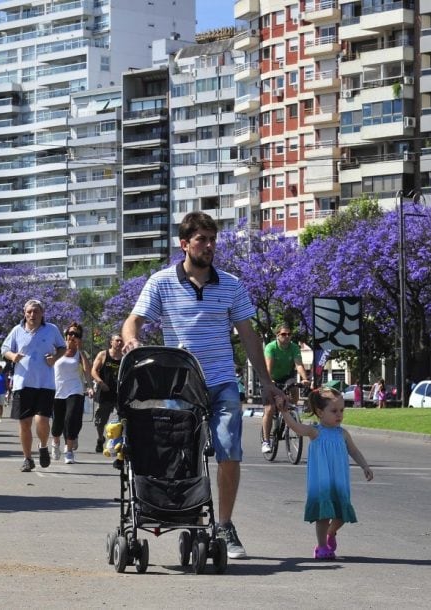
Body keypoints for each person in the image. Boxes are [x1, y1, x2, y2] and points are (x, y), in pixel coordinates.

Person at [122, 211, 285, 560]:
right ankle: (189, 513)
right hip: (179, 387)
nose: (209, 246)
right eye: (202, 240)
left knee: (229, 449)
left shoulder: (231, 285)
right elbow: (132, 322)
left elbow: (249, 336)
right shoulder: (161, 282)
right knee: (182, 455)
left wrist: (268, 384)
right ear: (184, 244)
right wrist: (133, 341)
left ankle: (224, 523)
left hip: (222, 381)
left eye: (213, 240)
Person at [278, 386, 373, 559]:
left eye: (342, 410)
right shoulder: (315, 432)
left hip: (339, 481)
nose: (339, 415)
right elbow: (296, 427)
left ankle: (331, 532)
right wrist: (284, 413)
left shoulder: (342, 433)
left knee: (341, 514)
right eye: (334, 411)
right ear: (320, 413)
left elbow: (354, 451)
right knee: (323, 515)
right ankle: (321, 546)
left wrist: (365, 466)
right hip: (321, 481)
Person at [1, 299, 66, 472]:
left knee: (42, 419)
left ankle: (43, 446)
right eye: (29, 311)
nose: (32, 315)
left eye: (36, 311)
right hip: (23, 383)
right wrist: (12, 356)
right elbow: (5, 349)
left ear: (42, 313)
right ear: (24, 313)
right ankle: (27, 458)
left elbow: (62, 347)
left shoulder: (51, 329)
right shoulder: (17, 330)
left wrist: (54, 358)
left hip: (45, 383)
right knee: (24, 423)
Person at [261, 324, 309, 453]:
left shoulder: (294, 347)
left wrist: (305, 379)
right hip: (269, 378)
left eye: (289, 334)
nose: (287, 337)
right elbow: (268, 367)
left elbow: (298, 365)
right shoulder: (271, 347)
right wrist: (269, 381)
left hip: (286, 377)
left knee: (294, 387)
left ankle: (290, 414)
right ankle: (266, 441)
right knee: (270, 409)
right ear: (277, 335)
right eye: (283, 334)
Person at [51, 322, 93, 464]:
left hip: (75, 389)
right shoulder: (57, 349)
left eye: (76, 335)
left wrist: (90, 386)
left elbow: (88, 370)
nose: (73, 336)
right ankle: (55, 442)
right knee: (57, 422)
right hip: (57, 390)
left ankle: (69, 451)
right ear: (66, 335)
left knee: (71, 419)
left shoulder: (81, 354)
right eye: (70, 334)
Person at [90, 334, 123, 453]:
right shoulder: (103, 354)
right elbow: (93, 370)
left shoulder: (125, 357)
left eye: (121, 341)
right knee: (100, 421)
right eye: (117, 341)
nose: (119, 343)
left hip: (119, 394)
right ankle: (100, 438)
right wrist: (100, 382)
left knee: (119, 419)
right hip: (105, 392)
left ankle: (117, 442)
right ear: (111, 342)